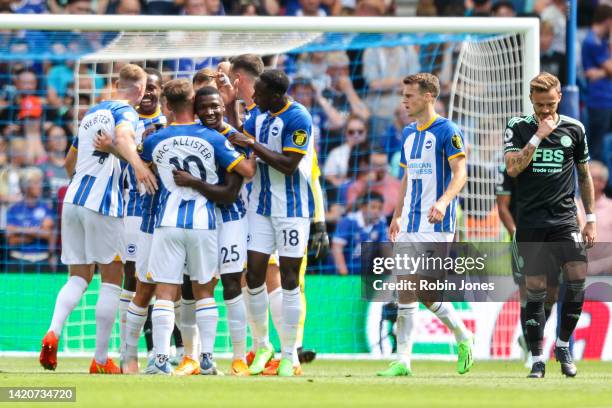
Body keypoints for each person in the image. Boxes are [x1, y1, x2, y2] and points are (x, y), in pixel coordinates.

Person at [39, 64, 157, 374]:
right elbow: (122, 138)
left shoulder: (90, 114)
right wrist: (139, 166)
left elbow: (69, 163)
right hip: (103, 205)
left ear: (117, 83)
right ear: (141, 90)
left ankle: (53, 331)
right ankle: (101, 359)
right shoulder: (126, 113)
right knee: (111, 279)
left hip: (73, 200)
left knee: (78, 276)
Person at [139, 79, 253, 375]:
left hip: (167, 221)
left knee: (165, 292)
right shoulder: (213, 138)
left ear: (167, 106)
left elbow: (141, 163)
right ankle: (207, 358)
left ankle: (161, 359)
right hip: (204, 222)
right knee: (204, 290)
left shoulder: (154, 139)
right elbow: (247, 170)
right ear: (193, 103)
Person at [378, 73, 473, 377]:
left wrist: (444, 201)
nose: (404, 101)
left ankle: (462, 335)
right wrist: (396, 215)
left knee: (428, 293)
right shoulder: (408, 132)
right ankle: (403, 360)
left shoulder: (447, 131)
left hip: (437, 222)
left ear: (429, 96)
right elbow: (407, 177)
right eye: (403, 95)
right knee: (405, 288)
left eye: (409, 95)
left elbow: (461, 173)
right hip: (410, 221)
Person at [504, 72, 595, 378]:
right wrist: (538, 135)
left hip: (565, 219)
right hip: (531, 222)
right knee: (536, 291)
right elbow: (513, 168)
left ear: (559, 98)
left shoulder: (575, 128)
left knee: (578, 278)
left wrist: (590, 218)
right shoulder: (518, 126)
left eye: (550, 103)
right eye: (539, 104)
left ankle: (563, 345)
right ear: (532, 100)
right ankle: (537, 358)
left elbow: (584, 176)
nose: (544, 110)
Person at [230, 69, 315, 377]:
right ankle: (263, 344)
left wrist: (253, 145)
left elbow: (290, 165)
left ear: (276, 96)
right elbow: (240, 132)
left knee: (290, 279)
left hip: (292, 210)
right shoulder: (262, 116)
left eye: (260, 94)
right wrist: (229, 102)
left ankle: (290, 355)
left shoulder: (298, 118)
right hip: (260, 208)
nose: (255, 98)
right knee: (252, 274)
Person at [172, 85, 256, 376]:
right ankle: (191, 357)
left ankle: (237, 357)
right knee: (189, 286)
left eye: (215, 106)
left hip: (229, 220)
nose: (209, 112)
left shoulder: (235, 139)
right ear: (194, 110)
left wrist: (193, 182)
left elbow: (230, 194)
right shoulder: (189, 137)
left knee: (232, 284)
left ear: (224, 107)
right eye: (203, 107)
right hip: (195, 220)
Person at [6, 167, 54, 272]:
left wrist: (18, 230)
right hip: (17, 261)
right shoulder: (13, 210)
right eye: (35, 183)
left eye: (40, 182)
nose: (40, 186)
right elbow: (11, 240)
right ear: (25, 186)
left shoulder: (46, 208)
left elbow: (47, 234)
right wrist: (37, 232)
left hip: (42, 261)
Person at [581, 5, 612, 162]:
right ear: (607, 21)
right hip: (600, 101)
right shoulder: (593, 41)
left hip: (605, 99)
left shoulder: (601, 40)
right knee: (596, 148)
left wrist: (599, 73)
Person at [331, 192, 387, 275]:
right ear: (362, 207)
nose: (376, 211)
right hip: (341, 275)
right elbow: (336, 249)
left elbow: (385, 250)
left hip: (367, 275)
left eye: (380, 208)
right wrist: (344, 275)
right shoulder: (348, 221)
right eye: (373, 207)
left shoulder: (381, 223)